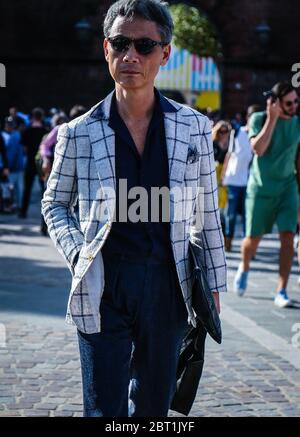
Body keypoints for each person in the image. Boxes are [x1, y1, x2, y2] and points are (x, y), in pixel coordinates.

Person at [42, 0, 226, 417]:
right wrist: (79, 253)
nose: (131, 56)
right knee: (103, 409)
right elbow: (54, 204)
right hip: (103, 282)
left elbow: (204, 212)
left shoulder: (194, 126)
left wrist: (213, 283)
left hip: (169, 285)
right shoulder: (77, 132)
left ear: (165, 54)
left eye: (144, 46)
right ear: (106, 49)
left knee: (153, 410)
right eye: (121, 43)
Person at [234, 81, 300, 308]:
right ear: (275, 103)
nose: (294, 106)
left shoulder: (297, 124)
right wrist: (272, 119)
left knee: (288, 238)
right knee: (253, 240)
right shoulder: (259, 119)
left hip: (287, 188)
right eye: (289, 103)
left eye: (296, 101)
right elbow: (258, 149)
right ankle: (244, 266)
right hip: (261, 189)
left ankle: (281, 290)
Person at [222, 105, 260, 251]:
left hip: (250, 182)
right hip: (233, 180)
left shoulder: (260, 135)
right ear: (248, 118)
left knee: (248, 216)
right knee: (230, 215)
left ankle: (248, 247)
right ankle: (228, 242)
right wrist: (223, 175)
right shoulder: (237, 132)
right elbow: (229, 154)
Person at [19, 107, 48, 219]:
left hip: (30, 163)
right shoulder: (45, 131)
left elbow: (24, 149)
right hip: (41, 164)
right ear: (42, 117)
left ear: (33, 117)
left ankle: (23, 212)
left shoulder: (27, 131)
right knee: (44, 191)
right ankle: (44, 215)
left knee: (27, 189)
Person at [212, 120, 232, 234]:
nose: (224, 133)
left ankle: (224, 230)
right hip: (216, 173)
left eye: (226, 131)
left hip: (228, 175)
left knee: (225, 203)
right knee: (217, 201)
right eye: (221, 131)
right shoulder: (213, 144)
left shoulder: (232, 144)